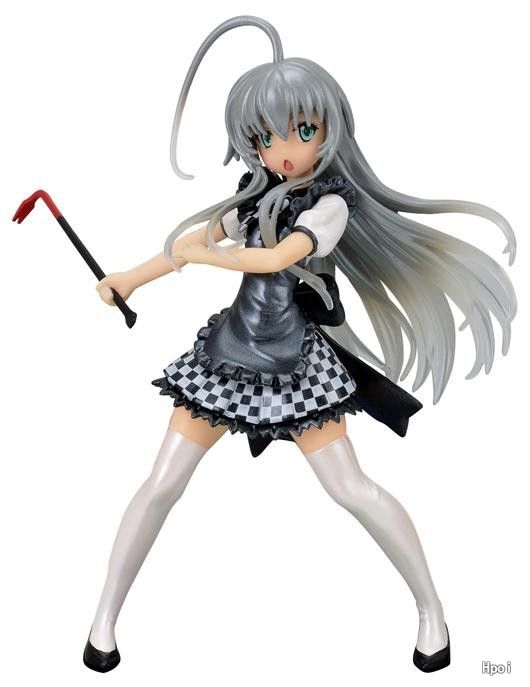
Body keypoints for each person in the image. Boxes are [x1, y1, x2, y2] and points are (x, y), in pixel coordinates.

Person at [83, 15, 517, 674]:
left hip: (296, 366)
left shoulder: (330, 205)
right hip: (228, 357)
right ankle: (104, 618)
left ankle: (432, 608)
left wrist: (206, 256)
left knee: (351, 489)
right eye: (265, 137)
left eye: (301, 131)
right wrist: (129, 278)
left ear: (328, 129)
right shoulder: (253, 196)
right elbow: (191, 243)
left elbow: (276, 258)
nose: (282, 150)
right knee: (162, 482)